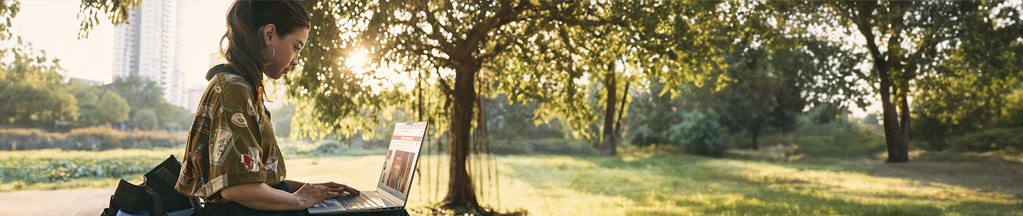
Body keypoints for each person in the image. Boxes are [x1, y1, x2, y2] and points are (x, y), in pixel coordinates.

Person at [174, 1, 405, 215]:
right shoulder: (234, 89)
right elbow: (238, 190)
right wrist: (301, 200)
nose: (296, 60)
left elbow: (259, 181)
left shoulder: (242, 85)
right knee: (393, 213)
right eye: (296, 47)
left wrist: (314, 190)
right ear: (269, 35)